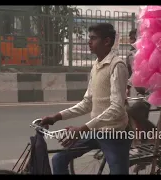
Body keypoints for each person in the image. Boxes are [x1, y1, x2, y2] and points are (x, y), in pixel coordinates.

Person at [40, 23, 131, 175]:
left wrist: (81, 129)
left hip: (115, 134)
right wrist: (56, 117)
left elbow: (116, 108)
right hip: (95, 130)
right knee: (59, 159)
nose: (89, 42)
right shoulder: (96, 65)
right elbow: (87, 103)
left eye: (93, 38)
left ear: (107, 41)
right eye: (89, 38)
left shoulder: (117, 66)